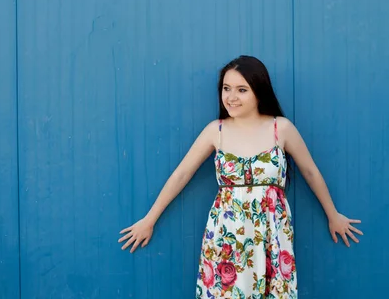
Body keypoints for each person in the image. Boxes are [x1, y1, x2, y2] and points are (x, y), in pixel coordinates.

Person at [118, 55, 363, 298]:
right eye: (226, 88)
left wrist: (333, 215)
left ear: (259, 91)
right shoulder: (216, 131)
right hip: (227, 233)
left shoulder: (281, 128)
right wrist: (149, 220)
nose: (231, 97)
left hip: (271, 233)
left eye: (241, 89)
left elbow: (310, 171)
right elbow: (182, 174)